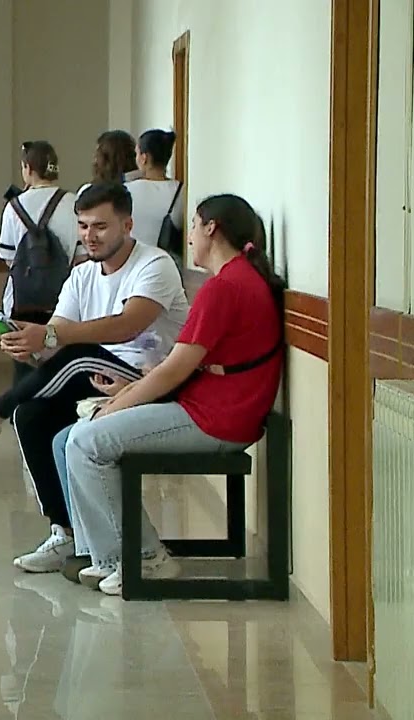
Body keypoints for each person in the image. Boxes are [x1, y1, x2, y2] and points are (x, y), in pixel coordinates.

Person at [0, 182, 190, 573]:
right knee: (31, 415)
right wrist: (29, 345)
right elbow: (56, 338)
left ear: (127, 225)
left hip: (149, 378)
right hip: (94, 376)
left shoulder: (154, 264)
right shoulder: (81, 275)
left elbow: (127, 325)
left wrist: (51, 337)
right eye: (83, 226)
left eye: (100, 226)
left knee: (80, 355)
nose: (89, 236)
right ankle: (63, 531)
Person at [66, 194, 285, 596]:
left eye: (195, 227)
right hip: (214, 407)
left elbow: (175, 369)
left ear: (212, 229)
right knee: (77, 434)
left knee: (87, 441)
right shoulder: (236, 280)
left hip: (219, 419)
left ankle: (145, 557)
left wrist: (116, 406)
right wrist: (127, 392)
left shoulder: (226, 286)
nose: (190, 237)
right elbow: (188, 365)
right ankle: (109, 556)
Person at [0, 141, 85, 384]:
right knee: (62, 363)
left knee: (24, 363)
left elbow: (8, 257)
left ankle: (23, 401)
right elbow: (81, 256)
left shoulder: (14, 206)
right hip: (64, 299)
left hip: (22, 301)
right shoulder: (74, 203)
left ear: (28, 168)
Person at [125, 129, 184, 251]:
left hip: (134, 254)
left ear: (144, 158)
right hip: (165, 256)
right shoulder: (181, 190)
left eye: (137, 154)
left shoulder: (127, 190)